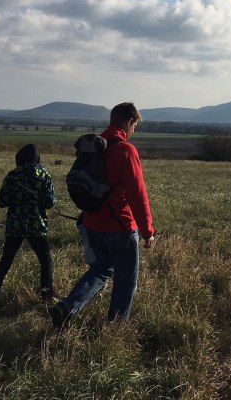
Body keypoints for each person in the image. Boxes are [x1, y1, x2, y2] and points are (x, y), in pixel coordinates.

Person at [49, 102, 156, 327]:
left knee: (101, 269)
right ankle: (116, 329)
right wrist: (148, 231)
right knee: (126, 282)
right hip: (121, 227)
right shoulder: (126, 150)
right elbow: (138, 194)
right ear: (129, 122)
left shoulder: (95, 147)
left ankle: (68, 307)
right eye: (134, 126)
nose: (133, 131)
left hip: (92, 222)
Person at [0, 144, 56, 312]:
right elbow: (50, 203)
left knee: (5, 263)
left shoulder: (12, 175)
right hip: (37, 227)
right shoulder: (44, 175)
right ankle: (46, 300)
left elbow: (1, 202)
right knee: (45, 261)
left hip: (15, 226)